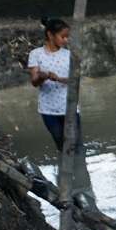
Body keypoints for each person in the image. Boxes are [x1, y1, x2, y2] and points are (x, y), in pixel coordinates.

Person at [27, 18, 79, 150]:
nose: (66, 40)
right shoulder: (35, 54)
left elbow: (75, 80)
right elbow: (34, 82)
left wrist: (57, 79)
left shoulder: (70, 55)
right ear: (50, 35)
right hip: (48, 111)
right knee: (61, 145)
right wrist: (42, 77)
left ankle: (79, 168)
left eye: (67, 37)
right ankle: (65, 169)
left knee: (75, 146)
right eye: (63, 36)